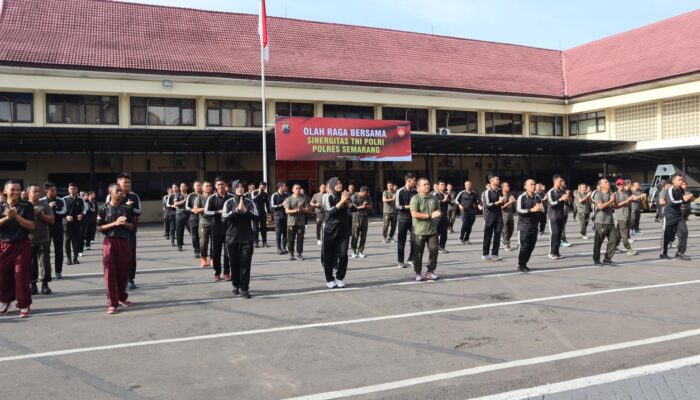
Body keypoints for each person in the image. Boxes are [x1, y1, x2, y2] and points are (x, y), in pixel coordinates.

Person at [97, 183, 135, 315]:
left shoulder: (126, 208)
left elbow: (132, 227)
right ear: (110, 193)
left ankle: (122, 297)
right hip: (110, 243)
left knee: (123, 272)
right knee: (110, 274)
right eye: (117, 191)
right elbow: (99, 228)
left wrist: (125, 224)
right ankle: (112, 304)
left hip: (124, 242)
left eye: (121, 191)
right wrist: (115, 223)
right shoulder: (103, 209)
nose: (120, 192)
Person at [0, 180, 35, 317]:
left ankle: (24, 304)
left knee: (20, 275)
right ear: (4, 191)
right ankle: (4, 301)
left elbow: (31, 226)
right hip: (3, 244)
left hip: (22, 244)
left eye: (18, 189)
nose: (16, 192)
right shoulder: (0, 205)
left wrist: (16, 216)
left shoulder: (27, 206)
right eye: (12, 189)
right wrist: (7, 218)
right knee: (3, 276)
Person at [222, 180, 258, 299]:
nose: (240, 189)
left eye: (242, 187)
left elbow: (256, 217)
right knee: (234, 264)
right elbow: (224, 218)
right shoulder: (228, 202)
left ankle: (244, 288)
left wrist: (246, 211)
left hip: (247, 238)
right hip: (232, 238)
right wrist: (236, 211)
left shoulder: (250, 202)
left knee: (245, 264)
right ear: (233, 189)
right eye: (237, 187)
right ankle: (235, 284)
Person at [107, 173, 143, 289]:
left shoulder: (134, 196)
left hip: (129, 229)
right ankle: (118, 279)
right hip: (115, 230)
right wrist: (124, 206)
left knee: (131, 254)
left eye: (129, 182)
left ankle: (130, 278)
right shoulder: (111, 196)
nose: (127, 184)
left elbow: (138, 211)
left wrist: (129, 208)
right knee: (116, 256)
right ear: (118, 184)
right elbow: (108, 211)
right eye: (125, 182)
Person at [321, 177, 354, 288]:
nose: (339, 185)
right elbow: (330, 212)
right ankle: (329, 279)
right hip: (330, 228)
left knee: (343, 255)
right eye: (337, 184)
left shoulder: (344, 196)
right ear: (331, 185)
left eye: (340, 183)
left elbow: (353, 209)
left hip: (344, 228)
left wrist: (348, 202)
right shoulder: (326, 197)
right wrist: (342, 201)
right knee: (329, 255)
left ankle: (339, 278)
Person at [410, 177, 441, 282]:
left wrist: (437, 214)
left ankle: (430, 271)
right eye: (424, 184)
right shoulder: (415, 199)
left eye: (428, 184)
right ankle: (418, 272)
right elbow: (414, 214)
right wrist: (429, 216)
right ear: (418, 187)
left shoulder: (433, 198)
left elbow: (438, 210)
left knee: (434, 251)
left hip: (432, 230)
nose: (427, 186)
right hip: (419, 231)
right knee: (418, 253)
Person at [204, 177, 233, 281]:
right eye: (218, 185)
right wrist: (217, 212)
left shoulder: (231, 197)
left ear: (226, 186)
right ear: (215, 187)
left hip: (229, 228)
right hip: (216, 227)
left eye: (222, 184)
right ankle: (217, 272)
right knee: (216, 252)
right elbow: (206, 212)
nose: (220, 186)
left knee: (228, 252)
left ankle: (227, 273)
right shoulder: (211, 198)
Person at [27, 184, 54, 296]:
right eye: (35, 191)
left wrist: (41, 214)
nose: (37, 193)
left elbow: (51, 220)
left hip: (44, 238)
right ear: (28, 193)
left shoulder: (45, 205)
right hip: (29, 239)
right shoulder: (24, 206)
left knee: (45, 262)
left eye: (39, 191)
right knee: (31, 263)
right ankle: (33, 284)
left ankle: (45, 284)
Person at [660, 174, 694, 260]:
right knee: (666, 235)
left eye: (682, 180)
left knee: (684, 232)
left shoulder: (681, 190)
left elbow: (682, 202)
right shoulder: (670, 189)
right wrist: (683, 200)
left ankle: (680, 252)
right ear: (673, 181)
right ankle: (663, 253)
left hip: (678, 215)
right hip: (669, 215)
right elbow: (671, 202)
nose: (681, 181)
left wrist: (688, 199)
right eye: (679, 180)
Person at [515, 179, 544, 272]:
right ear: (525, 187)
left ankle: (525, 263)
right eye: (531, 184)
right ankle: (521, 264)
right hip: (524, 227)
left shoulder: (538, 197)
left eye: (534, 184)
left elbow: (542, 209)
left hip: (534, 226)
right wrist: (532, 210)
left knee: (531, 246)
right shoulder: (522, 197)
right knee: (524, 246)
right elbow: (519, 211)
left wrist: (541, 209)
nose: (533, 186)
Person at [40, 182, 66, 279]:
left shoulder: (61, 200)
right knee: (45, 252)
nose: (55, 192)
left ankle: (58, 272)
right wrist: (49, 208)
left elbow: (63, 213)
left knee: (59, 250)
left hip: (58, 228)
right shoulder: (41, 201)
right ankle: (47, 273)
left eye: (55, 190)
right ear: (46, 191)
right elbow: (40, 215)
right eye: (52, 190)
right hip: (46, 229)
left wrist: (53, 211)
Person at [591, 179, 618, 265]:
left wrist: (614, 199)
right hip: (601, 222)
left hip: (610, 221)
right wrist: (610, 200)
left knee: (614, 241)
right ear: (601, 185)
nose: (608, 183)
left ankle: (607, 258)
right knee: (598, 242)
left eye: (608, 182)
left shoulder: (610, 193)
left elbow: (616, 206)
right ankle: (596, 259)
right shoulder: (598, 194)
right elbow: (601, 206)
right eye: (606, 182)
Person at [395, 173, 417, 268]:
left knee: (414, 240)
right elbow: (397, 205)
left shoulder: (415, 192)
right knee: (401, 240)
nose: (415, 182)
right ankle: (400, 260)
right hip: (402, 219)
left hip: (414, 219)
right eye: (414, 180)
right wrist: (409, 206)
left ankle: (411, 258)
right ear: (408, 181)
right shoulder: (400, 191)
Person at [546, 175, 570, 260]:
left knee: (559, 235)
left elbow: (568, 204)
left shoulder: (563, 191)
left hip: (561, 216)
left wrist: (567, 199)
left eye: (562, 181)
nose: (562, 182)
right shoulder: (550, 192)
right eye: (560, 181)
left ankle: (557, 252)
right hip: (553, 217)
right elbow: (552, 204)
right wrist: (561, 199)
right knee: (555, 234)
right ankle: (552, 252)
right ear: (555, 182)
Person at [285, 183, 311, 261]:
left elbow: (307, 210)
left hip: (301, 223)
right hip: (291, 222)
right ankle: (291, 253)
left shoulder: (304, 198)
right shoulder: (289, 199)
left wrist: (301, 209)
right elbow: (287, 211)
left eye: (299, 188)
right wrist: (296, 210)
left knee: (300, 239)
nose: (298, 190)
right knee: (290, 239)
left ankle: (299, 254)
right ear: (293, 190)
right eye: (296, 188)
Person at [481, 175, 505, 261]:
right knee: (488, 236)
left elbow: (502, 203)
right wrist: (498, 202)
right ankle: (485, 254)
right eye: (497, 179)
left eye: (499, 179)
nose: (499, 181)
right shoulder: (487, 192)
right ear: (491, 181)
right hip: (489, 217)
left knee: (497, 235)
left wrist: (502, 201)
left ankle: (495, 253)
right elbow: (488, 205)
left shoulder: (499, 190)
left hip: (498, 217)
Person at [62, 182, 86, 265]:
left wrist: (81, 214)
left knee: (76, 241)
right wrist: (66, 216)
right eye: (71, 189)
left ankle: (75, 258)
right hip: (67, 223)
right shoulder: (64, 199)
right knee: (67, 240)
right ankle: (68, 259)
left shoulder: (80, 199)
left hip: (77, 223)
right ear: (68, 190)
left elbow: (85, 209)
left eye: (74, 189)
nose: (72, 190)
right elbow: (61, 211)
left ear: (77, 190)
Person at [614, 179, 639, 256]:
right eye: (618, 184)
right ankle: (629, 248)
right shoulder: (616, 194)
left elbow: (629, 201)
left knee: (618, 233)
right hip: (621, 216)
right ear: (616, 185)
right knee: (624, 233)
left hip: (627, 215)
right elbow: (616, 205)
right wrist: (627, 200)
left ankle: (613, 246)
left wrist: (632, 199)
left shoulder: (627, 192)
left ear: (624, 184)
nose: (620, 186)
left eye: (621, 184)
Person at [192, 181, 213, 268]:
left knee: (214, 243)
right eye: (206, 186)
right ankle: (204, 258)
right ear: (203, 188)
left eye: (210, 186)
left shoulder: (214, 197)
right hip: (204, 223)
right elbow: (196, 210)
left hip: (214, 223)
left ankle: (212, 258)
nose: (208, 187)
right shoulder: (199, 198)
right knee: (204, 242)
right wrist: (206, 208)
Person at [350, 186, 372, 258]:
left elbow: (371, 206)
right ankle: (353, 251)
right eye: (364, 194)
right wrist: (362, 207)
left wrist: (366, 206)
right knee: (355, 234)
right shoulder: (354, 196)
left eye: (366, 194)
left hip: (365, 217)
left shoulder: (368, 196)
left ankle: (360, 251)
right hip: (356, 216)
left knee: (364, 235)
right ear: (361, 191)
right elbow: (353, 208)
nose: (365, 196)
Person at [456, 180, 481, 244]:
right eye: (466, 185)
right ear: (465, 186)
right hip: (464, 212)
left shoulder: (474, 193)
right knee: (465, 224)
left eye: (469, 185)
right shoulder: (462, 193)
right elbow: (456, 200)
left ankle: (466, 238)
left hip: (472, 212)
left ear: (471, 185)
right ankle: (461, 237)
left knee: (470, 226)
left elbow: (477, 201)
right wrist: (459, 205)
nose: (468, 186)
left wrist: (478, 205)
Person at [270, 182, 289, 255]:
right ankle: (278, 248)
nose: (285, 187)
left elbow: (289, 203)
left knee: (285, 233)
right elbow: (272, 206)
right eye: (284, 186)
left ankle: (284, 247)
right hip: (277, 217)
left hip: (285, 216)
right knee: (278, 233)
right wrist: (280, 205)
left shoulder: (287, 195)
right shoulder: (274, 195)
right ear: (280, 187)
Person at [185, 181, 203, 259]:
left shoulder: (205, 195)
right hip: (194, 218)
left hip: (204, 218)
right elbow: (187, 207)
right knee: (194, 236)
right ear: (194, 187)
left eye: (200, 185)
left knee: (203, 237)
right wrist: (193, 210)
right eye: (197, 186)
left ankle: (203, 251)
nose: (199, 187)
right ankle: (196, 251)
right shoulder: (190, 196)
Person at [433, 181, 451, 253]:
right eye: (442, 185)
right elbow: (435, 203)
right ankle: (434, 247)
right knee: (436, 233)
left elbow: (452, 202)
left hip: (444, 216)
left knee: (444, 233)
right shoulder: (435, 194)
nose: (443, 186)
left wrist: (449, 199)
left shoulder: (447, 194)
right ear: (438, 186)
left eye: (444, 184)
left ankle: (441, 247)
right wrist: (443, 200)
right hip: (437, 217)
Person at [252, 182, 270, 248]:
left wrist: (269, 212)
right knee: (255, 228)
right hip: (255, 212)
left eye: (264, 187)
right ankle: (256, 242)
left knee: (263, 228)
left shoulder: (265, 194)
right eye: (262, 187)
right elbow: (253, 200)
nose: (263, 188)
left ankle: (264, 242)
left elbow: (267, 203)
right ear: (259, 186)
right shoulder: (254, 192)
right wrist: (259, 193)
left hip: (262, 212)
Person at [173, 182, 190, 252]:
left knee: (193, 230)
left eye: (183, 186)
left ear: (187, 187)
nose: (182, 187)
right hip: (180, 214)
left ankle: (197, 246)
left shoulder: (190, 195)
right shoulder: (177, 195)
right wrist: (183, 201)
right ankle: (179, 245)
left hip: (189, 214)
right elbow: (175, 204)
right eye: (181, 186)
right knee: (179, 231)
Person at [500, 182, 516, 252]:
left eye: (508, 186)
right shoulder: (501, 196)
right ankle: (507, 245)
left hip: (510, 216)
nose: (508, 187)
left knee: (511, 230)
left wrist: (514, 201)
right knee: (505, 231)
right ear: (503, 188)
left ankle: (504, 241)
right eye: (507, 186)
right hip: (503, 216)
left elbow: (515, 205)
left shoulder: (510, 195)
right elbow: (501, 207)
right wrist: (509, 202)